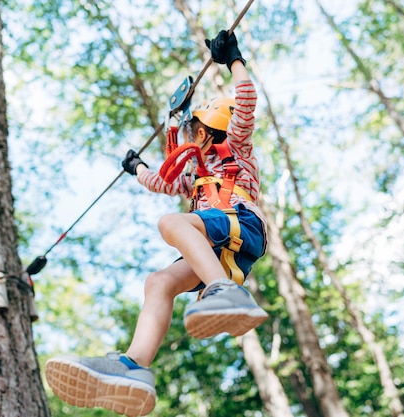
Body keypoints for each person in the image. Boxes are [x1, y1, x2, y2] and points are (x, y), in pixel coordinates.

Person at [45, 30, 267, 417]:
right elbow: (163, 182)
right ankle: (134, 366)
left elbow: (245, 101)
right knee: (158, 282)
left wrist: (234, 59)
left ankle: (221, 291)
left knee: (173, 224)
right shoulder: (195, 177)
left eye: (195, 130)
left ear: (206, 129)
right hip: (216, 244)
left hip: (240, 223)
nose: (191, 137)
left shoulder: (237, 148)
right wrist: (137, 168)